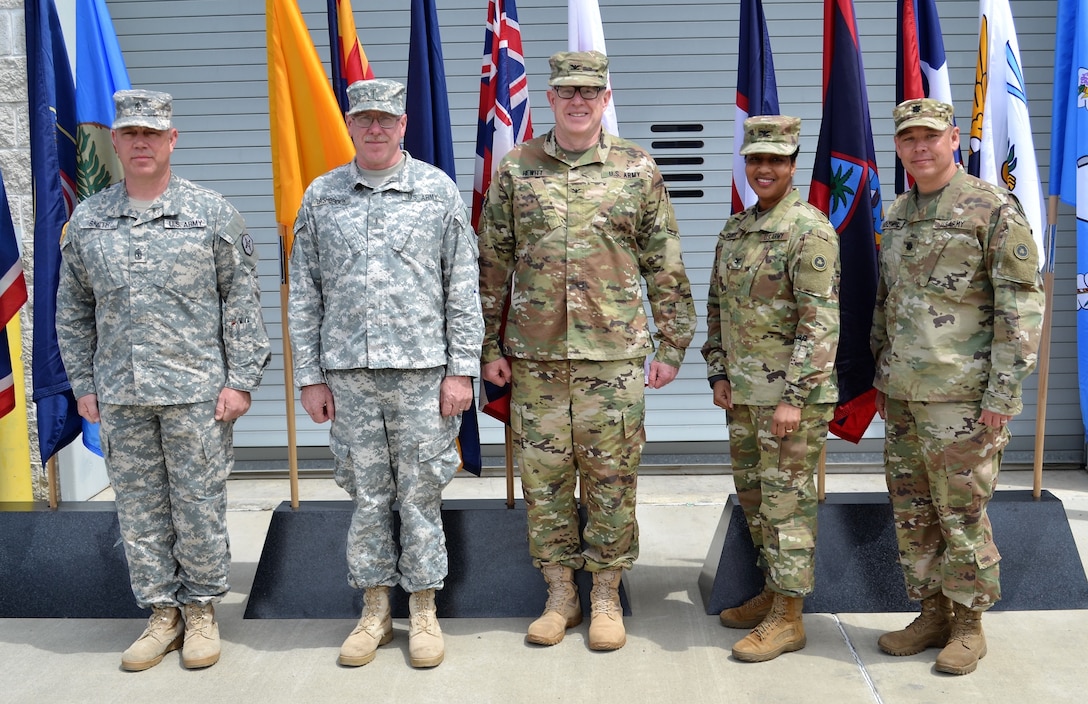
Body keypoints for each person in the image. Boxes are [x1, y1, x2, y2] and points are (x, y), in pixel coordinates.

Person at [477, 50, 696, 652]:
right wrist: (487, 347)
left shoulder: (636, 168)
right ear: (549, 98)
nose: (577, 101)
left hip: (614, 357)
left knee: (611, 478)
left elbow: (665, 263)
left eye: (589, 92)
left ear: (605, 98)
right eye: (566, 92)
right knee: (544, 480)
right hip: (536, 359)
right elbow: (491, 263)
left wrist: (674, 344)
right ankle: (560, 593)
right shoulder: (518, 168)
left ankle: (604, 593)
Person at [56, 90, 271, 671]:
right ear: (117, 142)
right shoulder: (89, 220)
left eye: (153, 133)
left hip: (199, 394)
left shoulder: (211, 214)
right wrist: (84, 384)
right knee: (139, 509)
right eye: (131, 134)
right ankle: (160, 614)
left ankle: (200, 611)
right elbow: (73, 309)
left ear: (172, 139)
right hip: (121, 393)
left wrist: (242, 379)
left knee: (199, 505)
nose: (142, 143)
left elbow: (242, 303)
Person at [288, 78, 483, 670]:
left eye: (386, 120)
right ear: (350, 124)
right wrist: (309, 376)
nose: (375, 129)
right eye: (364, 119)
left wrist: (462, 371)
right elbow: (305, 292)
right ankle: (375, 610)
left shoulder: (436, 192)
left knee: (421, 493)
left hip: (424, 374)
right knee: (368, 495)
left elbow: (462, 285)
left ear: (403, 126)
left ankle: (422, 609)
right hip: (348, 376)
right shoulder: (322, 196)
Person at [872, 98, 1045, 675]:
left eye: (929, 136)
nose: (919, 147)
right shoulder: (898, 213)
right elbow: (886, 303)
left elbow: (1020, 307)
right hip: (903, 393)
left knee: (961, 512)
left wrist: (1001, 395)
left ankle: (969, 624)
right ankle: (931, 613)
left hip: (964, 398)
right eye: (908, 139)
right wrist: (881, 375)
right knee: (913, 510)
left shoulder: (991, 208)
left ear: (953, 137)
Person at [701, 115, 840, 663]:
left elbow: (820, 324)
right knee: (758, 504)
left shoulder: (809, 230)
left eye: (775, 160)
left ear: (792, 163)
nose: (764, 169)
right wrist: (718, 372)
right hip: (743, 397)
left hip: (789, 404)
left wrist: (793, 398)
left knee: (789, 509)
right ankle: (771, 594)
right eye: (756, 159)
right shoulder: (736, 230)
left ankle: (789, 618)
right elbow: (717, 308)